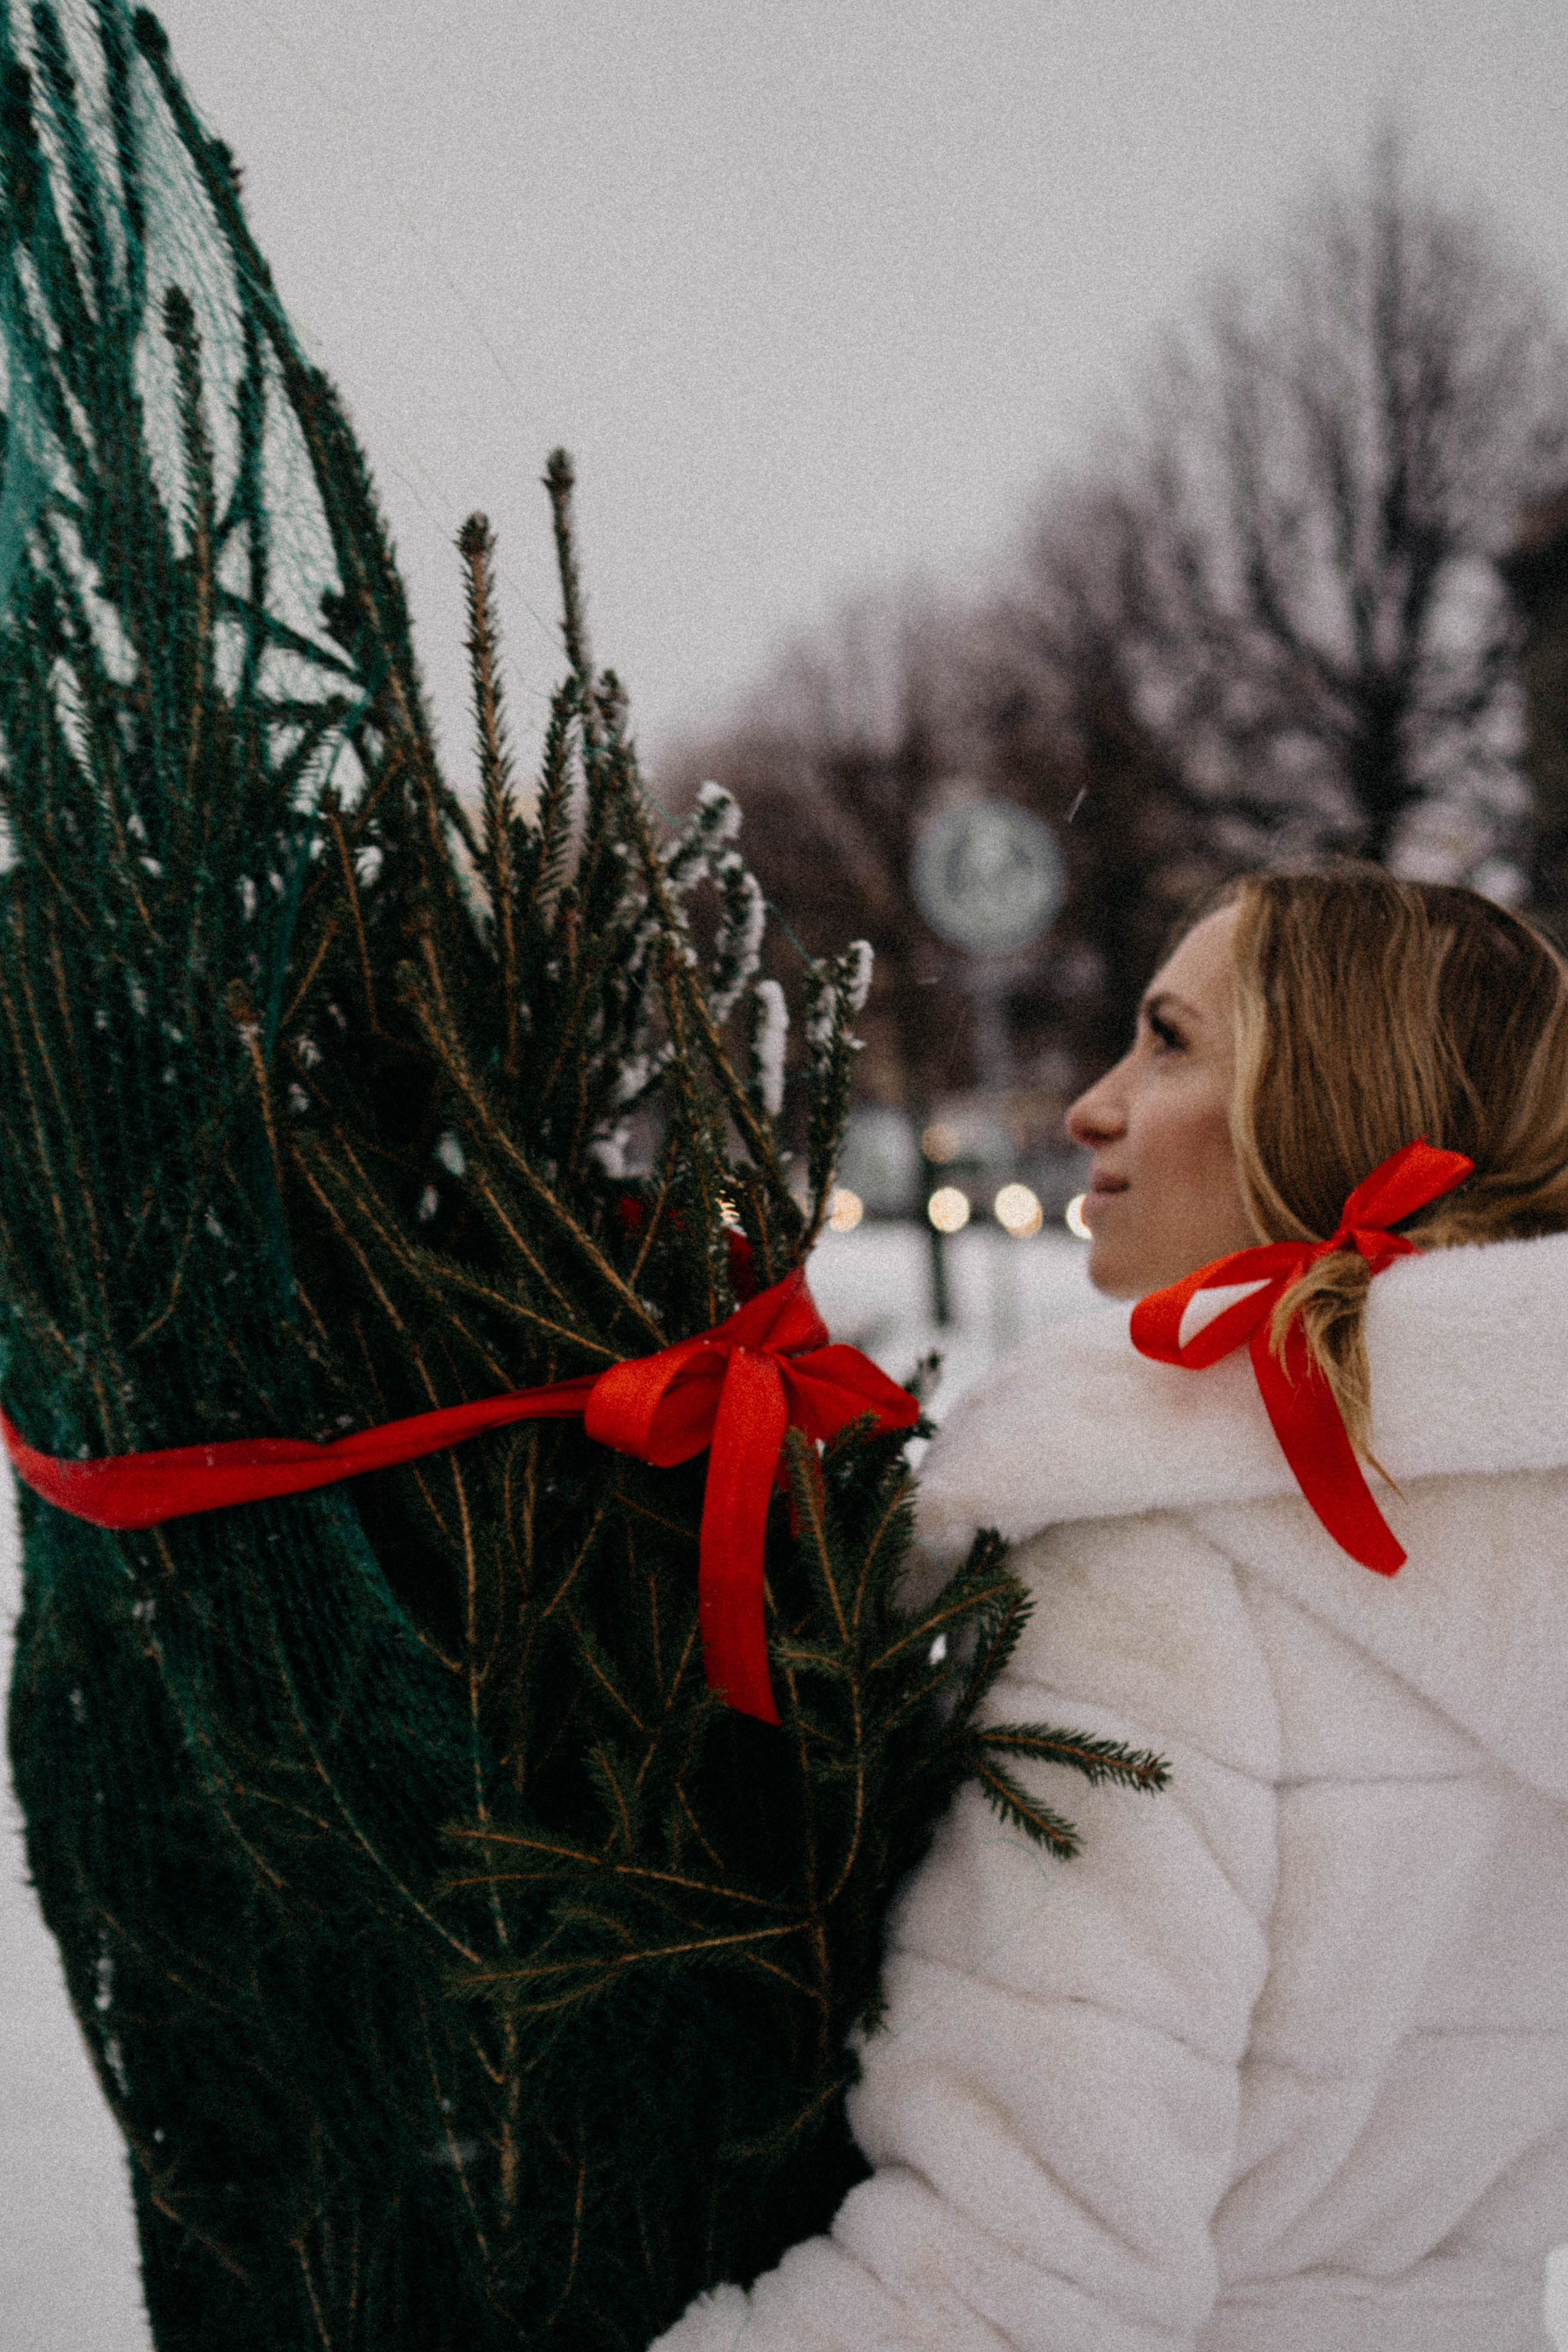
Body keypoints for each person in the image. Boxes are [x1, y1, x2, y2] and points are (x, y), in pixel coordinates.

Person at [653, 867, 1568, 2352]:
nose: (1090, 1105)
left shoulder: (1160, 1570)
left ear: (1321, 1104)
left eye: (1167, 1042)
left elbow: (1007, 2286)